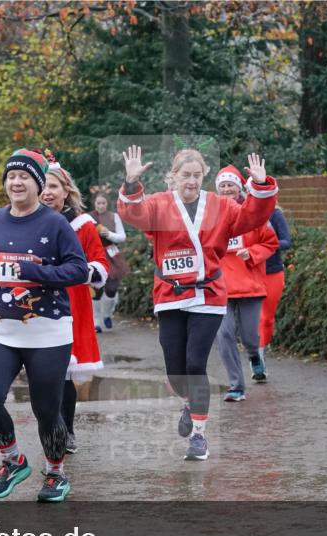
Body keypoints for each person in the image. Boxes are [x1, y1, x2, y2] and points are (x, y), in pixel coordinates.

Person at [117, 145, 277, 461]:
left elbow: (253, 217)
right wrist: (132, 183)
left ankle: (199, 437)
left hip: (208, 295)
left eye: (197, 175)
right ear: (173, 177)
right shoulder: (160, 205)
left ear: (203, 176)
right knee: (176, 371)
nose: (191, 181)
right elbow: (132, 213)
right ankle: (189, 403)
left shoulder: (221, 206)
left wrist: (259, 186)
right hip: (170, 295)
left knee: (195, 364)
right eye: (185, 175)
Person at [0, 148, 88, 502]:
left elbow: (78, 270)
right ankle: (12, 460)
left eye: (24, 177)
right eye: (11, 176)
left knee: (47, 410)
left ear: (37, 184)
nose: (16, 182)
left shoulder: (55, 224)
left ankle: (56, 473)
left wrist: (35, 272)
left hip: (47, 330)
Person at [40, 157, 109, 455]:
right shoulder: (26, 220)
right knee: (43, 373)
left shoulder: (83, 225)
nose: (47, 192)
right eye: (42, 186)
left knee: (65, 371)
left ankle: (65, 430)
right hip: (34, 304)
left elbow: (100, 264)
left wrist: (80, 272)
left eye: (53, 186)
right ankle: (51, 426)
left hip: (71, 304)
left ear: (66, 190)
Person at [214, 165, 278, 401]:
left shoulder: (253, 215)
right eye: (222, 185)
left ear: (239, 187)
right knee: (224, 334)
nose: (227, 189)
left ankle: (254, 355)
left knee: (250, 336)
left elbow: (271, 243)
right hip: (219, 286)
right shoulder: (209, 215)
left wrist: (251, 253)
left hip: (249, 283)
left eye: (230, 184)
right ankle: (236, 386)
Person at [257, 197, 291, 381]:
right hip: (251, 272)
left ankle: (260, 351)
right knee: (256, 317)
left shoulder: (275, 214)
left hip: (272, 272)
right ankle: (257, 359)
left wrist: (267, 246)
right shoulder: (246, 214)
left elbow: (287, 241)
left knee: (267, 319)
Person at [89, 192, 128, 332]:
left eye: (103, 203)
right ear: (94, 204)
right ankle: (96, 321)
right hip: (94, 254)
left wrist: (109, 234)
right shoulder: (88, 218)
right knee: (96, 290)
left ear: (107, 204)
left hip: (112, 254)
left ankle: (107, 315)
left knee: (111, 289)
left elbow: (122, 237)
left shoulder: (114, 216)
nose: (100, 206)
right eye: (98, 203)